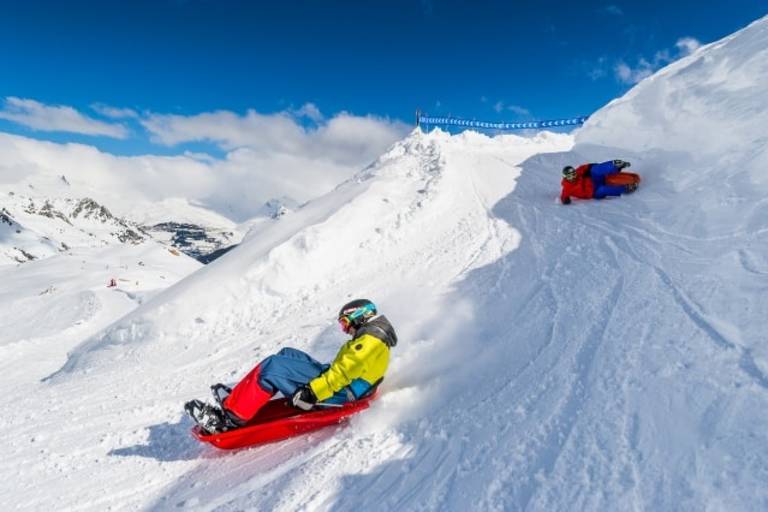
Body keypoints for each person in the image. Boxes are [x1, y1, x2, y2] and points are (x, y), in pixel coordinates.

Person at [185, 299, 397, 434]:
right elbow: (347, 369)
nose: (344, 329)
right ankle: (243, 397)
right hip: (346, 387)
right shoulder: (371, 336)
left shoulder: (369, 340)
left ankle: (229, 419)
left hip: (339, 395)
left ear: (359, 316)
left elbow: (342, 372)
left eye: (345, 322)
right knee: (287, 353)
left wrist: (312, 393)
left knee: (273, 366)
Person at [560, 159, 638, 205]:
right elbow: (563, 197)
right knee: (603, 189)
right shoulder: (567, 188)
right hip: (594, 192)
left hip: (595, 179)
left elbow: (587, 167)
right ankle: (626, 188)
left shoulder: (578, 172)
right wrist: (566, 200)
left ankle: (615, 165)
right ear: (565, 177)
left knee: (595, 170)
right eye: (570, 176)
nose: (573, 177)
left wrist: (593, 167)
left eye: (574, 174)